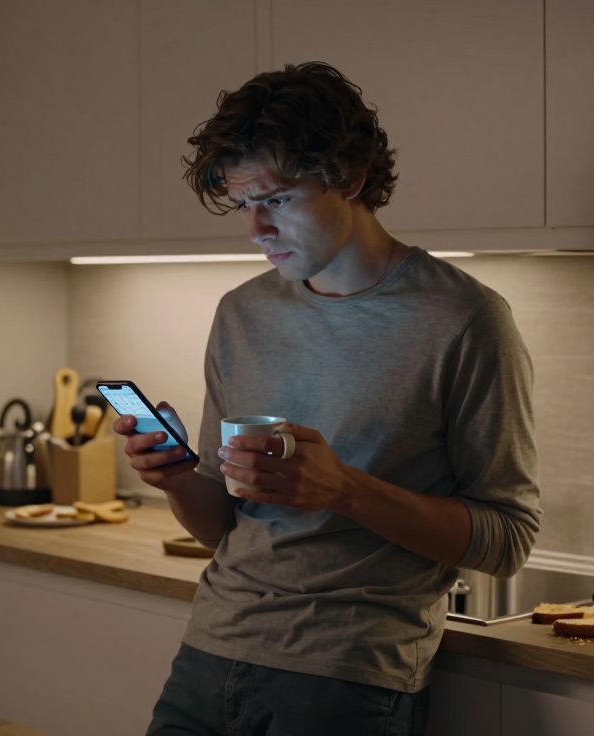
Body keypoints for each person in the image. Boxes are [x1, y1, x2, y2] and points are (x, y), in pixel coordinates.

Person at [114, 62, 541, 735]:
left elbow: (507, 539)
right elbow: (225, 524)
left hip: (347, 676)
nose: (255, 228)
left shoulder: (464, 321)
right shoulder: (241, 315)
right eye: (241, 202)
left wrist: (344, 489)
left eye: (277, 199)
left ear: (350, 177)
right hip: (209, 652)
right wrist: (173, 480)